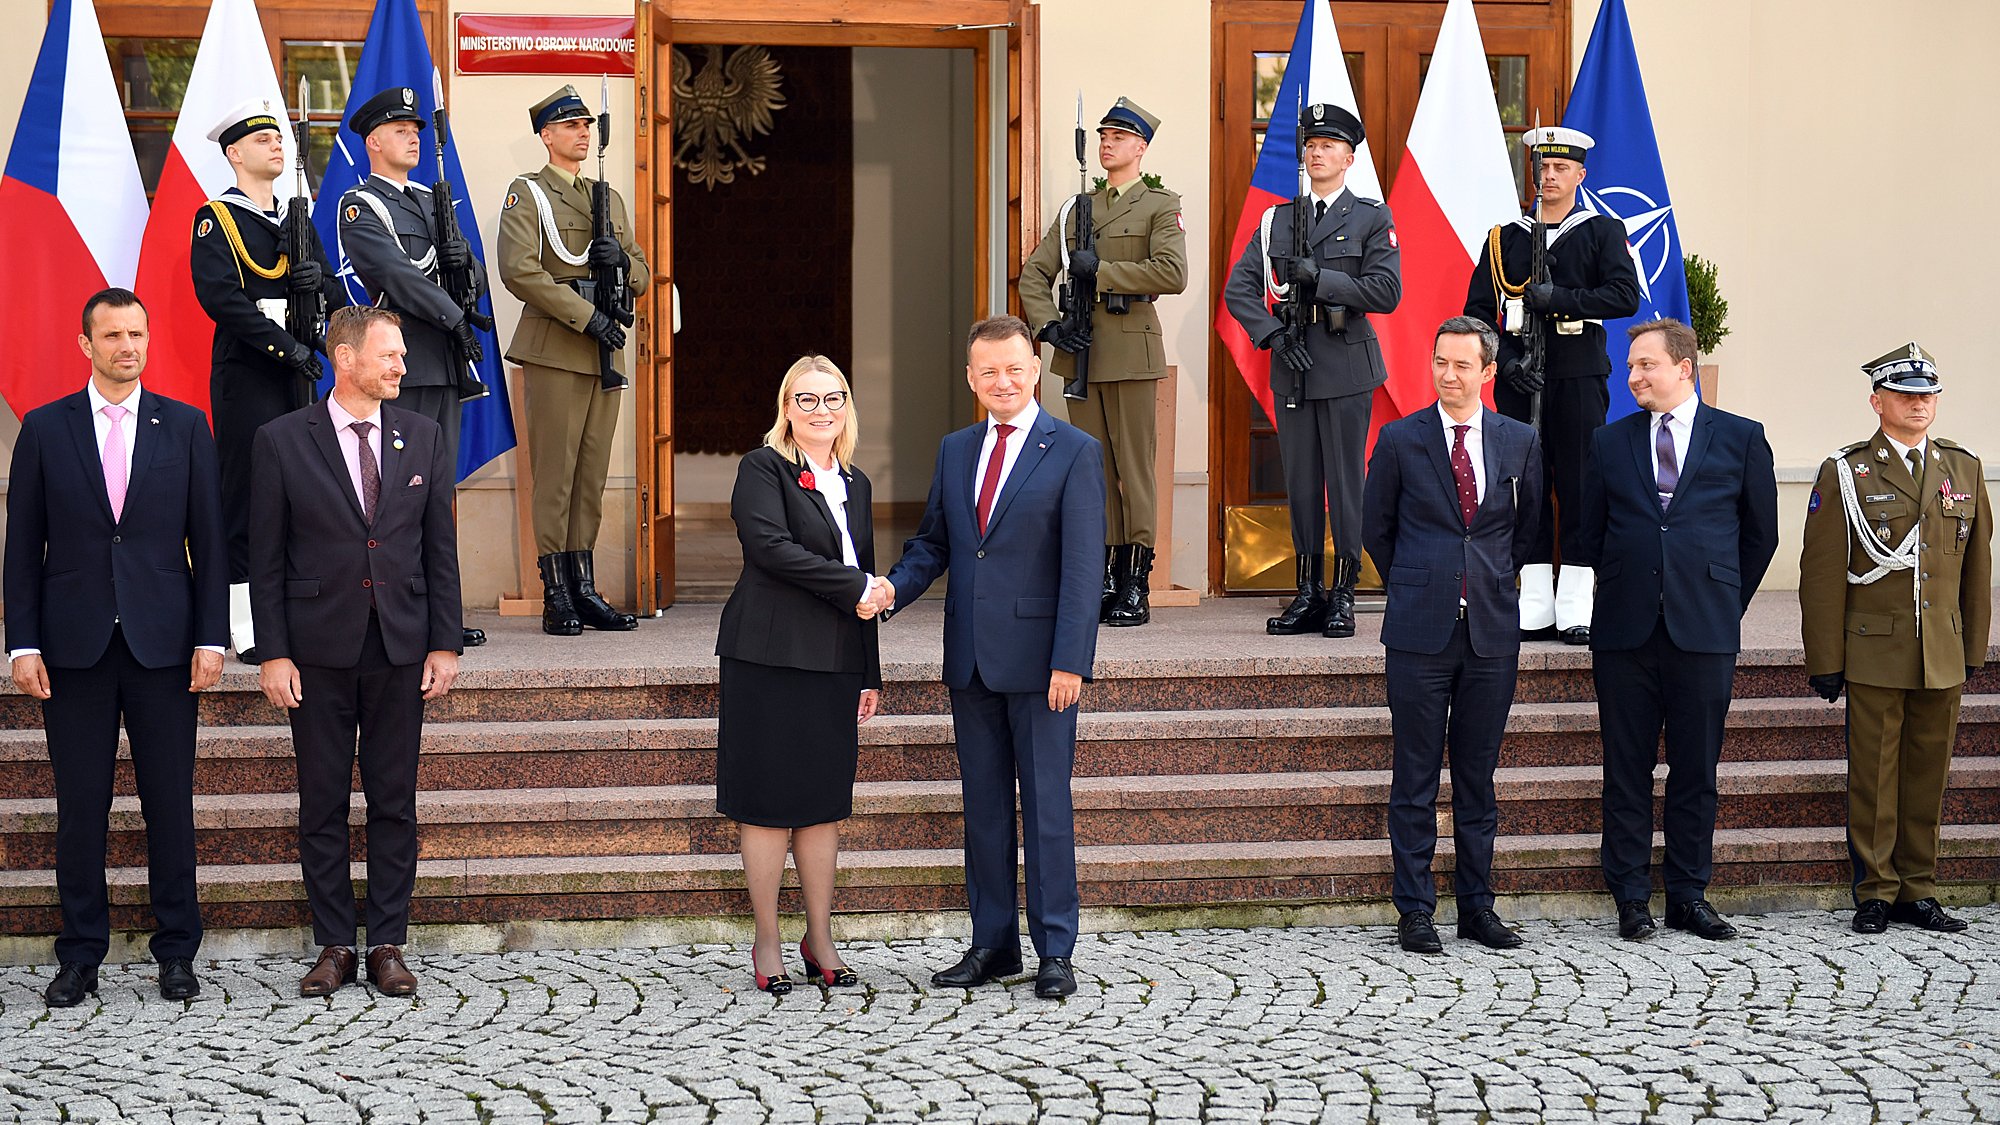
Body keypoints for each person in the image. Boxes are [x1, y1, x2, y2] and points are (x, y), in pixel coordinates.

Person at [868, 316, 1105, 999]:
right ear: (971, 379)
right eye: (988, 371)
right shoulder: (955, 448)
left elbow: (1083, 566)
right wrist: (889, 591)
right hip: (970, 660)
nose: (1003, 380)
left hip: (1042, 666)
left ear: (1035, 369)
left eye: (1014, 367)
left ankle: (1055, 948)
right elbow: (935, 545)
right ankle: (992, 944)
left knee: (1048, 808)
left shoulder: (1074, 450)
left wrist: (1071, 659)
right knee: (986, 810)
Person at [4, 289, 228, 1007]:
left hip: (166, 645)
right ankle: (79, 955)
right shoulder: (43, 429)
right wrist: (22, 643)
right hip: (73, 648)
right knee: (80, 809)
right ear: (85, 344)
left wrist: (211, 636)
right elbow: (21, 549)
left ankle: (177, 953)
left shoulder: (188, 426)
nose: (128, 346)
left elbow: (212, 544)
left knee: (171, 804)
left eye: (137, 333)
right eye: (113, 335)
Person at [248, 305, 463, 998]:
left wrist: (444, 641)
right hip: (315, 650)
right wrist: (273, 653)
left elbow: (440, 550)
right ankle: (335, 943)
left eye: (402, 355)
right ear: (345, 358)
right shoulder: (282, 440)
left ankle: (389, 943)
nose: (403, 365)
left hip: (401, 646)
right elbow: (266, 557)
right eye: (390, 354)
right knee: (321, 802)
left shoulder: (424, 436)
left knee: (395, 799)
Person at [1572, 319, 1778, 942]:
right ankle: (1630, 898)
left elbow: (1759, 536)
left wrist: (1721, 602)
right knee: (1625, 770)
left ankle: (1689, 894)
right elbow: (1589, 534)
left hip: (1704, 632)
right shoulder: (1609, 442)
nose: (1632, 376)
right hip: (1625, 634)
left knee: (1696, 771)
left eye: (1645, 365)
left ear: (1684, 367)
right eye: (1631, 366)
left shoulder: (1742, 439)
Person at [1361, 316, 1543, 955]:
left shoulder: (1519, 440)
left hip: (1491, 631)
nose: (1449, 375)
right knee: (1413, 774)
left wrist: (1484, 580)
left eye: (1463, 365)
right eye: (1440, 362)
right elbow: (1375, 529)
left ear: (1488, 372)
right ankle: (1414, 909)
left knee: (1477, 776)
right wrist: (1420, 581)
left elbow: (1526, 532)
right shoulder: (1400, 439)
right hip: (1417, 630)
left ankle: (1477, 907)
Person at [1800, 343, 1990, 936]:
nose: (1919, 403)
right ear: (1877, 401)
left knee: (1929, 774)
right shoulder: (1848, 470)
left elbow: (1976, 567)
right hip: (1875, 647)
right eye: (1907, 394)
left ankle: (1919, 888)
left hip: (1941, 651)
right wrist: (1825, 660)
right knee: (1874, 778)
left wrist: (1973, 647)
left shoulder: (1963, 467)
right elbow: (1823, 573)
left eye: (1928, 394)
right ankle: (1876, 891)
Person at [714, 355, 882, 994]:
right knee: (765, 805)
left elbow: (861, 569)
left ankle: (820, 934)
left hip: (837, 660)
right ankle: (766, 939)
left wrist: (869, 672)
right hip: (768, 654)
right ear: (786, 408)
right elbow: (771, 549)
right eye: (806, 399)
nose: (821, 411)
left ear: (847, 409)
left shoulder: (857, 482)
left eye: (832, 398)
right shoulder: (763, 469)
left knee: (821, 805)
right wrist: (858, 586)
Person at [1223, 103, 1401, 638]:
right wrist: (1273, 335)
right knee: (1300, 484)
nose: (1316, 152)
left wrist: (1320, 276)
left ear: (1349, 157)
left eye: (1328, 145)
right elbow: (1240, 290)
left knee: (1347, 483)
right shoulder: (1277, 219)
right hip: (1293, 363)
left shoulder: (1372, 217)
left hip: (1345, 366)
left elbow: (1386, 292)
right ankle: (1309, 590)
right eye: (1311, 144)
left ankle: (1344, 591)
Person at [1464, 126, 1641, 644]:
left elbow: (1623, 296)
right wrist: (1509, 360)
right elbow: (1477, 313)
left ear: (1580, 175)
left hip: (1579, 378)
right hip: (1522, 381)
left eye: (1561, 168)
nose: (1549, 177)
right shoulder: (1506, 238)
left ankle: (1577, 600)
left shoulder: (1600, 232)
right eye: (1543, 168)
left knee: (1580, 482)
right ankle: (1535, 598)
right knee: (1525, 486)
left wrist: (1560, 298)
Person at [1017, 97, 1187, 627]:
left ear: (1141, 147)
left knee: (1134, 470)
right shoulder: (1077, 209)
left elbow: (1171, 273)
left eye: (1118, 136)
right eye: (1103, 135)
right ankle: (1107, 575)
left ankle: (1136, 579)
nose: (1107, 142)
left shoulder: (1160, 205)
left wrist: (1104, 270)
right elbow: (1033, 276)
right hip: (1082, 354)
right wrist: (1048, 327)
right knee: (1093, 470)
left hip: (1131, 353)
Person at [190, 100, 349, 664]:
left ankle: (296, 612)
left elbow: (331, 292)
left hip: (300, 372)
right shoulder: (217, 219)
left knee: (303, 495)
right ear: (234, 153)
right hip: (253, 373)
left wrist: (317, 287)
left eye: (278, 139)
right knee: (247, 496)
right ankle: (246, 623)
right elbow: (222, 299)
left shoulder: (294, 218)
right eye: (262, 141)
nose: (276, 146)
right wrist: (289, 348)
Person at [497, 84, 651, 637]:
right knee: (556, 476)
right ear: (546, 136)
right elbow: (521, 271)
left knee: (591, 476)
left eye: (587, 125)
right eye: (569, 126)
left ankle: (585, 587)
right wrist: (588, 318)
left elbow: (639, 270)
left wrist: (619, 263)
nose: (583, 133)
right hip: (560, 348)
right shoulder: (528, 194)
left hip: (604, 353)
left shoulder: (605, 196)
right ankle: (555, 592)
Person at [337, 86, 488, 651]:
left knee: (436, 491)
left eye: (418, 130)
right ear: (374, 141)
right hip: (403, 364)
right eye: (401, 130)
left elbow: (468, 266)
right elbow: (395, 278)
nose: (414, 137)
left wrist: (464, 271)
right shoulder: (361, 204)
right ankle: (398, 605)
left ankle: (438, 607)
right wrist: (454, 318)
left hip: (443, 363)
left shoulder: (433, 200)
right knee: (396, 494)